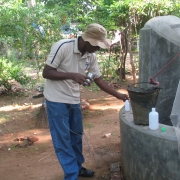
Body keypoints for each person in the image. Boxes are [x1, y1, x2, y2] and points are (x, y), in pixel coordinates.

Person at [42, 23, 129, 180]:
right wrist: (72, 75)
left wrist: (118, 95)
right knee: (63, 139)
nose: (98, 49)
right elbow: (47, 73)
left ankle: (77, 167)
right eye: (96, 45)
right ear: (87, 41)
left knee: (76, 136)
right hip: (56, 100)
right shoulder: (62, 47)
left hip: (74, 99)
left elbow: (98, 80)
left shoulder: (91, 55)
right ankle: (71, 175)